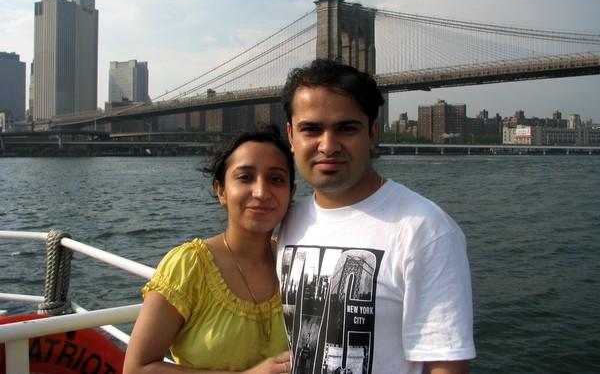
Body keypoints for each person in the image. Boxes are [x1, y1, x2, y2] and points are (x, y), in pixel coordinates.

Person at [277, 59, 476, 374]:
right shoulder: (290, 220)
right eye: (311, 129)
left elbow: (446, 365)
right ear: (291, 135)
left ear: (371, 133)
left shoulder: (425, 228)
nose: (327, 146)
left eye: (346, 128)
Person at [124, 127, 295, 374]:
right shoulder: (189, 266)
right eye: (245, 177)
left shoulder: (297, 261)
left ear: (291, 193)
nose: (261, 192)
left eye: (276, 179)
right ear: (221, 191)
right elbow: (136, 368)